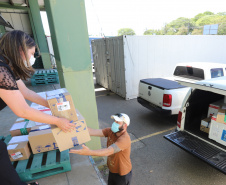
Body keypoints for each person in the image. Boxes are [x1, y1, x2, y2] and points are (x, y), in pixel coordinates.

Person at [0, 30, 76, 185]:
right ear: (20, 50)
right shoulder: (1, 70)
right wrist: (57, 120)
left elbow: (26, 92)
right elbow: (23, 111)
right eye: (32, 53)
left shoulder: (7, 66)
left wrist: (52, 105)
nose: (32, 58)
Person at [70, 113, 132, 185]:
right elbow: (91, 131)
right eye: (114, 121)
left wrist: (89, 152)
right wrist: (76, 127)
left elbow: (108, 151)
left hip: (122, 174)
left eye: (117, 122)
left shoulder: (125, 139)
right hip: (113, 170)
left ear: (125, 125)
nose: (114, 123)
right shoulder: (111, 131)